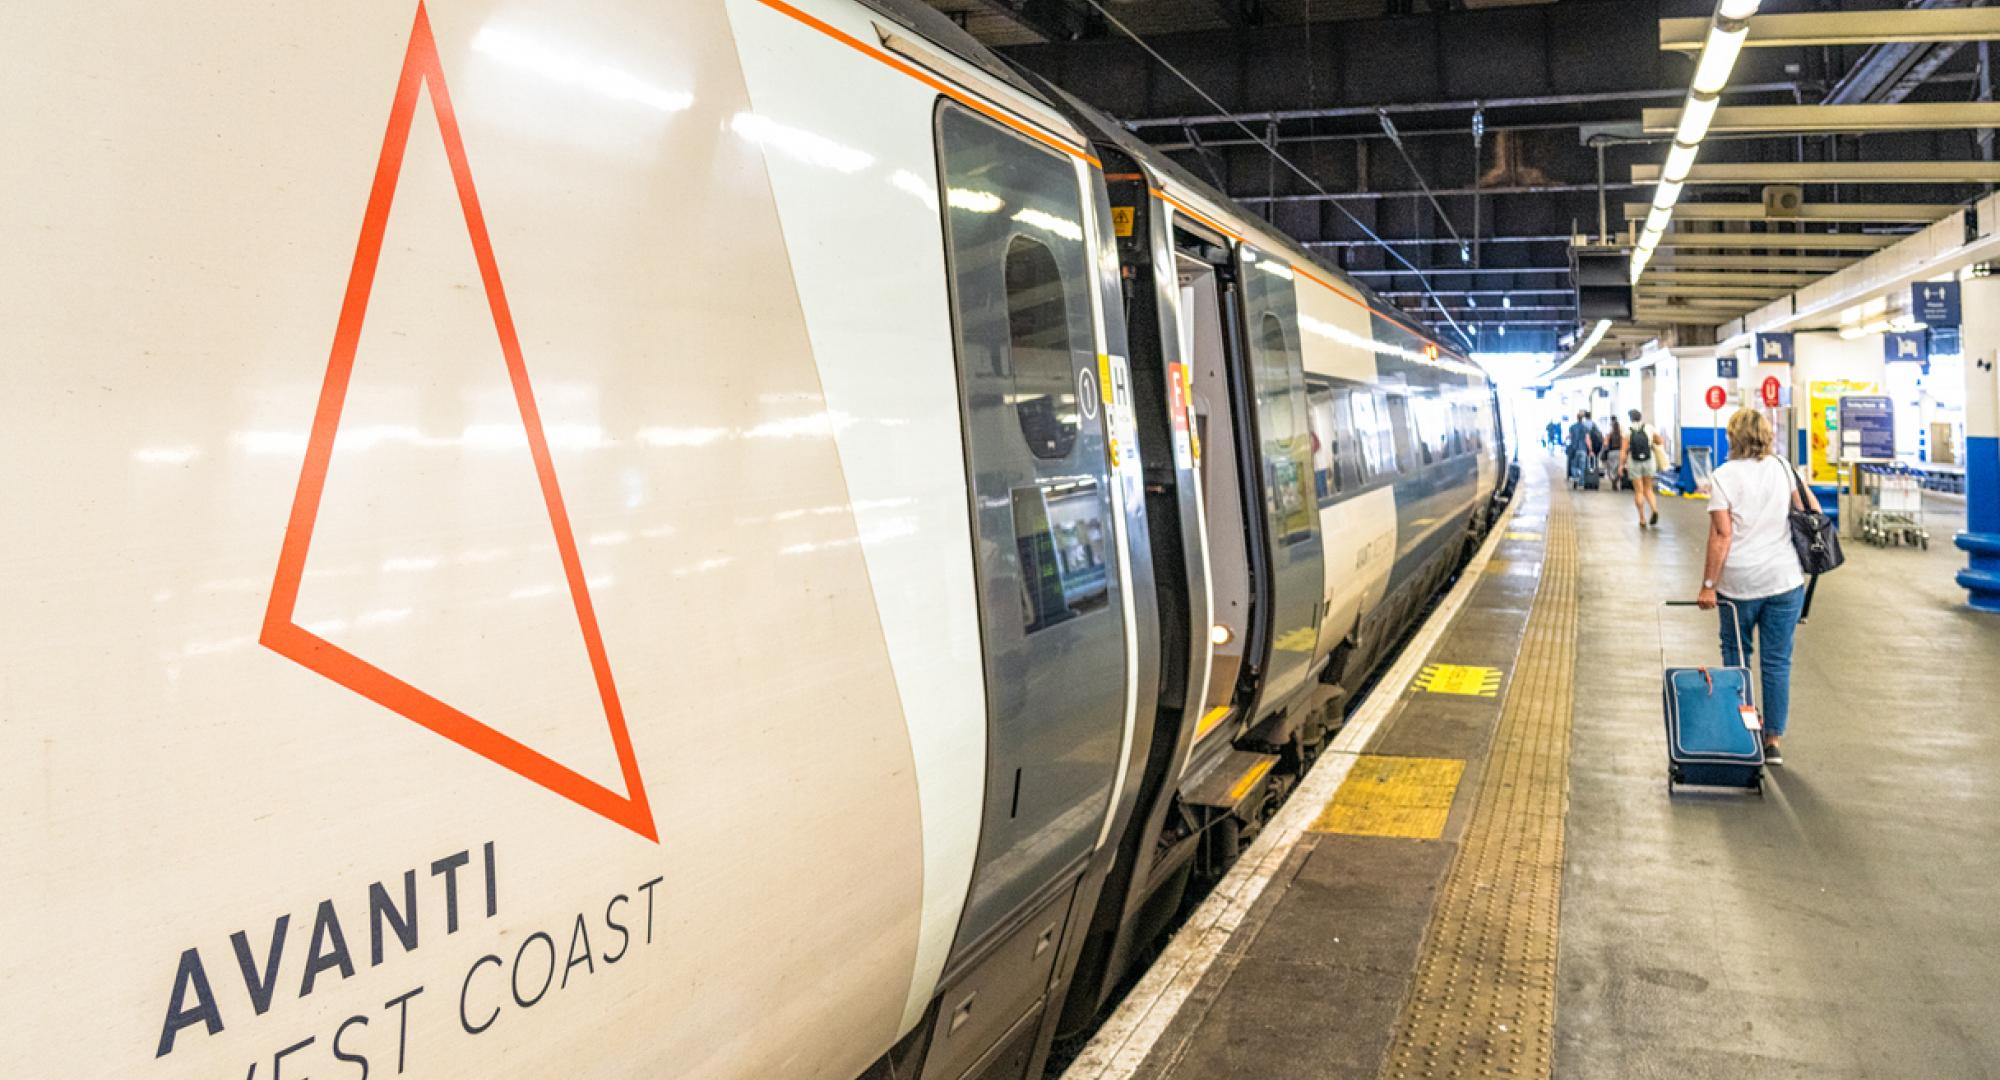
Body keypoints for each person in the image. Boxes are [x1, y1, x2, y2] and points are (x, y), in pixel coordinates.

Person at [1696, 408, 1819, 764]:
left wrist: (1708, 585)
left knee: (1736, 657)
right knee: (1777, 663)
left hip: (1738, 584)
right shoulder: (1782, 467)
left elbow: (1722, 535)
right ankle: (1773, 741)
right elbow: (1810, 511)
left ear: (1732, 437)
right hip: (1784, 580)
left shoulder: (1723, 476)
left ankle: (1742, 730)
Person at [1620, 408, 1669, 528]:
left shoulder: (1627, 430)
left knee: (1639, 491)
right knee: (1648, 489)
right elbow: (1660, 441)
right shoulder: (1649, 428)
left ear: (1630, 418)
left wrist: (1621, 465)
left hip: (1634, 461)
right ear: (1640, 417)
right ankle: (1654, 509)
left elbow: (1624, 450)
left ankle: (1642, 518)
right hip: (1649, 459)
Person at [1602, 416, 1624, 488]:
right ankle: (1616, 481)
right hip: (1620, 452)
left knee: (1611, 468)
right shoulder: (1621, 435)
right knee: (1619, 468)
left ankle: (1613, 481)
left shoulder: (1610, 434)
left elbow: (1605, 444)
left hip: (1611, 453)